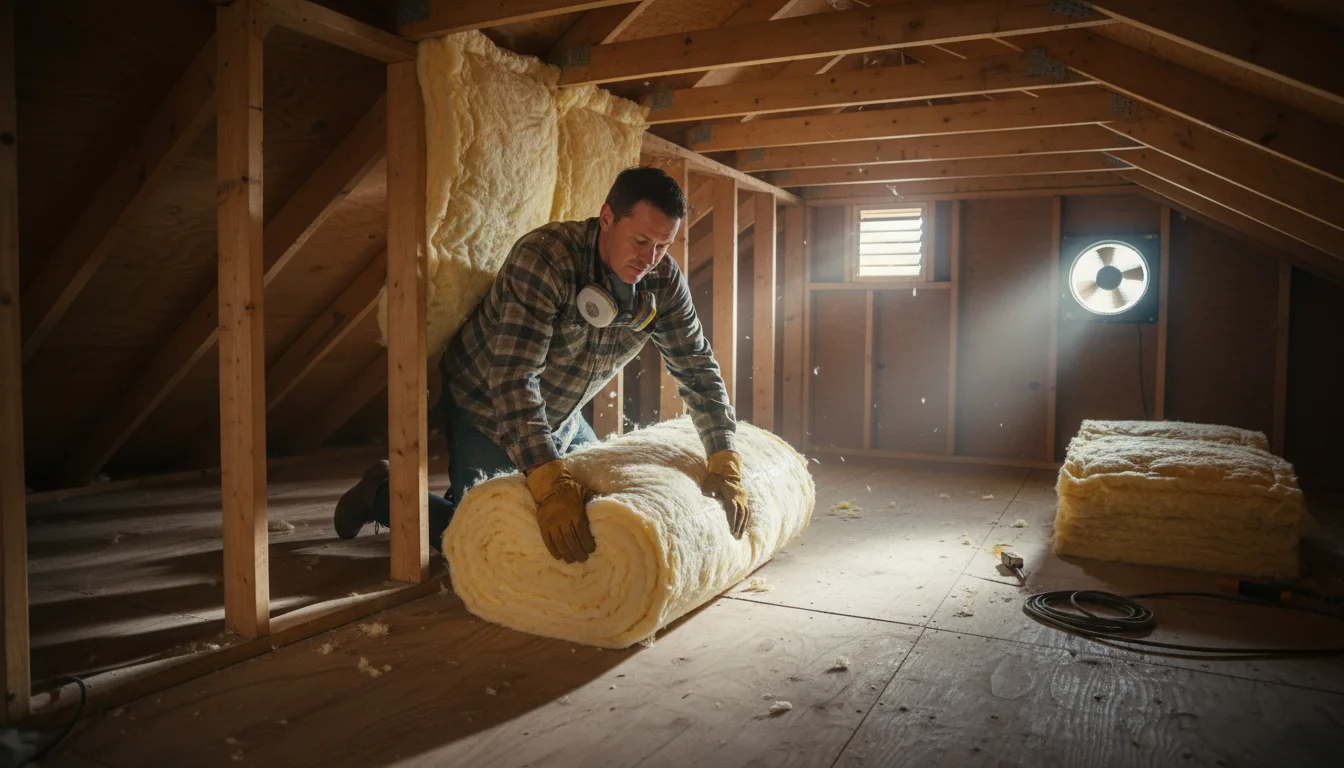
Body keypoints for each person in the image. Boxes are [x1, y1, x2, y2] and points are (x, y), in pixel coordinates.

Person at [332, 166, 750, 563]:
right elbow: (514, 379)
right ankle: (381, 492)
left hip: (561, 414)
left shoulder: (663, 280)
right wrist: (549, 481)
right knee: (490, 541)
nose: (650, 259)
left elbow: (696, 367)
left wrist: (724, 456)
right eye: (641, 241)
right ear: (607, 217)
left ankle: (482, 487)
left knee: (594, 522)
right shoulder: (546, 258)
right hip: (488, 404)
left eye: (663, 246)